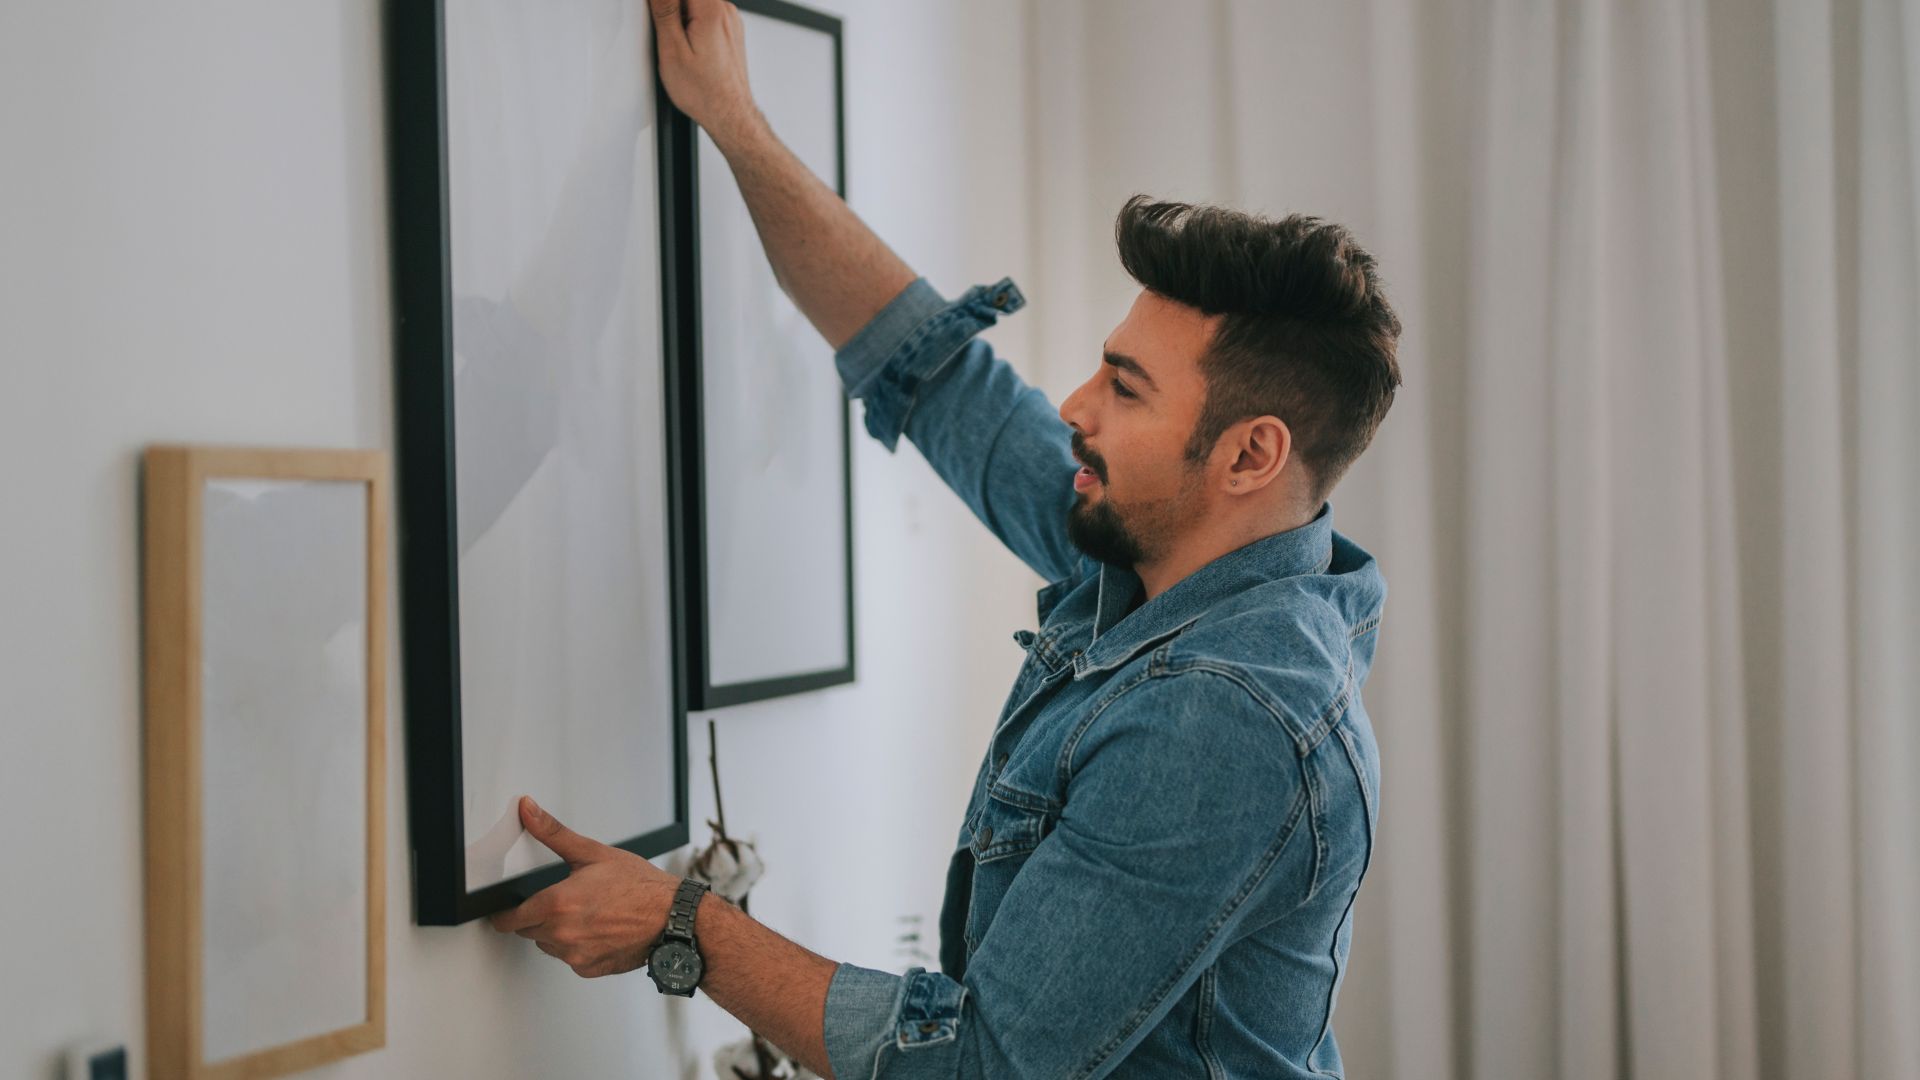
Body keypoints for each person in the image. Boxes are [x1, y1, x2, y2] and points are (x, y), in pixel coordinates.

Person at [488, 0, 1404, 1075]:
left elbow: (983, 1064)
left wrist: (682, 924)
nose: (1073, 404)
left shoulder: (1224, 714)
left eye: (1124, 387)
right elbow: (929, 365)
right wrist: (734, 123)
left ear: (1248, 457)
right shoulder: (1155, 562)